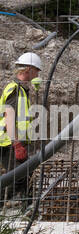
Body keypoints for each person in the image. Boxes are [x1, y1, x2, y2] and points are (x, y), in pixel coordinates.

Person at [1, 53, 39, 205]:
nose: (37, 74)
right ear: (28, 69)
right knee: (17, 177)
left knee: (25, 175)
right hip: (9, 142)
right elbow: (10, 116)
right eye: (37, 70)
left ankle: (27, 208)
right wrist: (17, 144)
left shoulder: (20, 89)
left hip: (13, 141)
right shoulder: (16, 89)